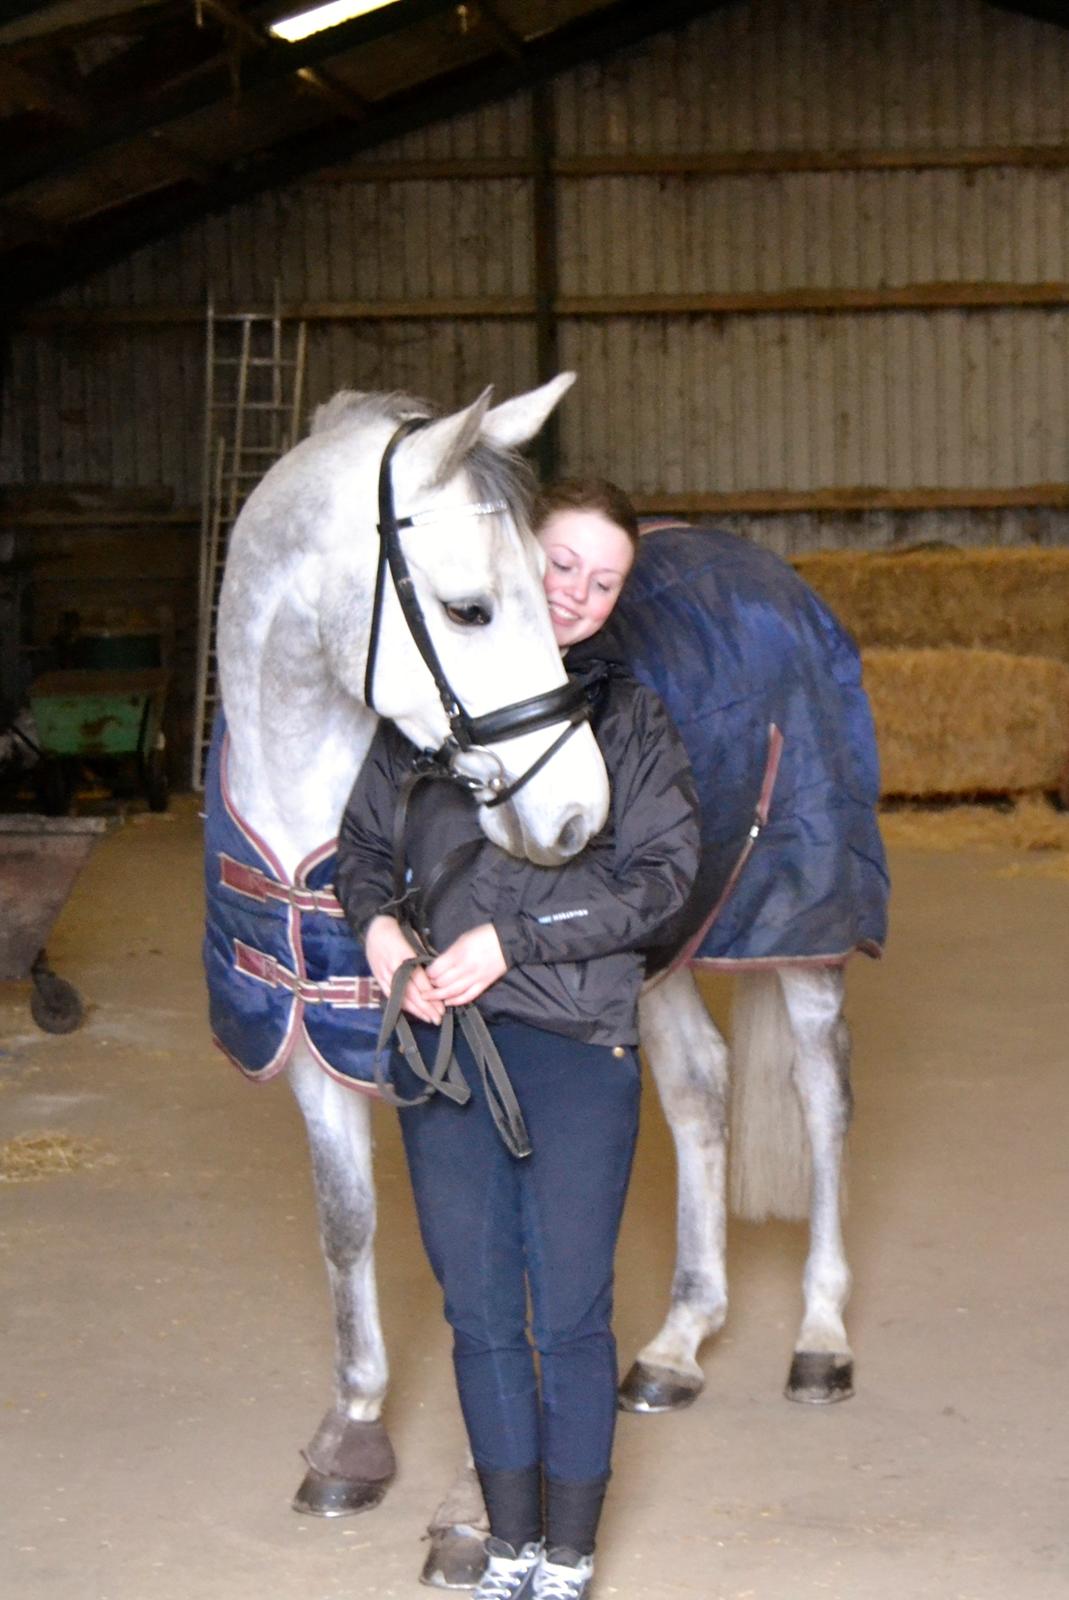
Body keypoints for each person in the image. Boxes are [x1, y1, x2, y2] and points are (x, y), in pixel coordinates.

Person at [335, 479, 700, 1600]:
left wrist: (512, 939)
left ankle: (570, 1553)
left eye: (605, 578)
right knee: (480, 1308)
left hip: (574, 1042)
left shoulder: (626, 716)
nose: (579, 592)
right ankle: (508, 1547)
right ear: (516, 557)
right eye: (562, 562)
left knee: (572, 1307)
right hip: (442, 1048)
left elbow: (663, 879)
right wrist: (388, 942)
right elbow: (358, 855)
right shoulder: (424, 712)